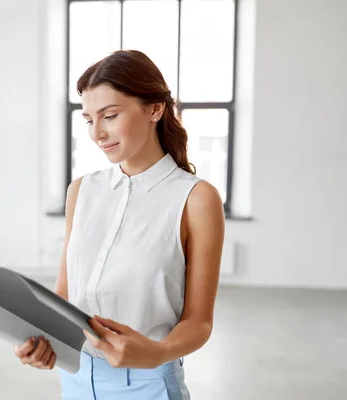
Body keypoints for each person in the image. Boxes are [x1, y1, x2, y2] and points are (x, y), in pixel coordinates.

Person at [14, 49, 225, 399]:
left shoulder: (197, 199)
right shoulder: (80, 191)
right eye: (88, 119)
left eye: (109, 115)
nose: (97, 133)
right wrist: (40, 342)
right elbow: (65, 297)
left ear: (155, 109)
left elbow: (199, 322)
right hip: (76, 379)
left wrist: (156, 353)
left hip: (148, 385)